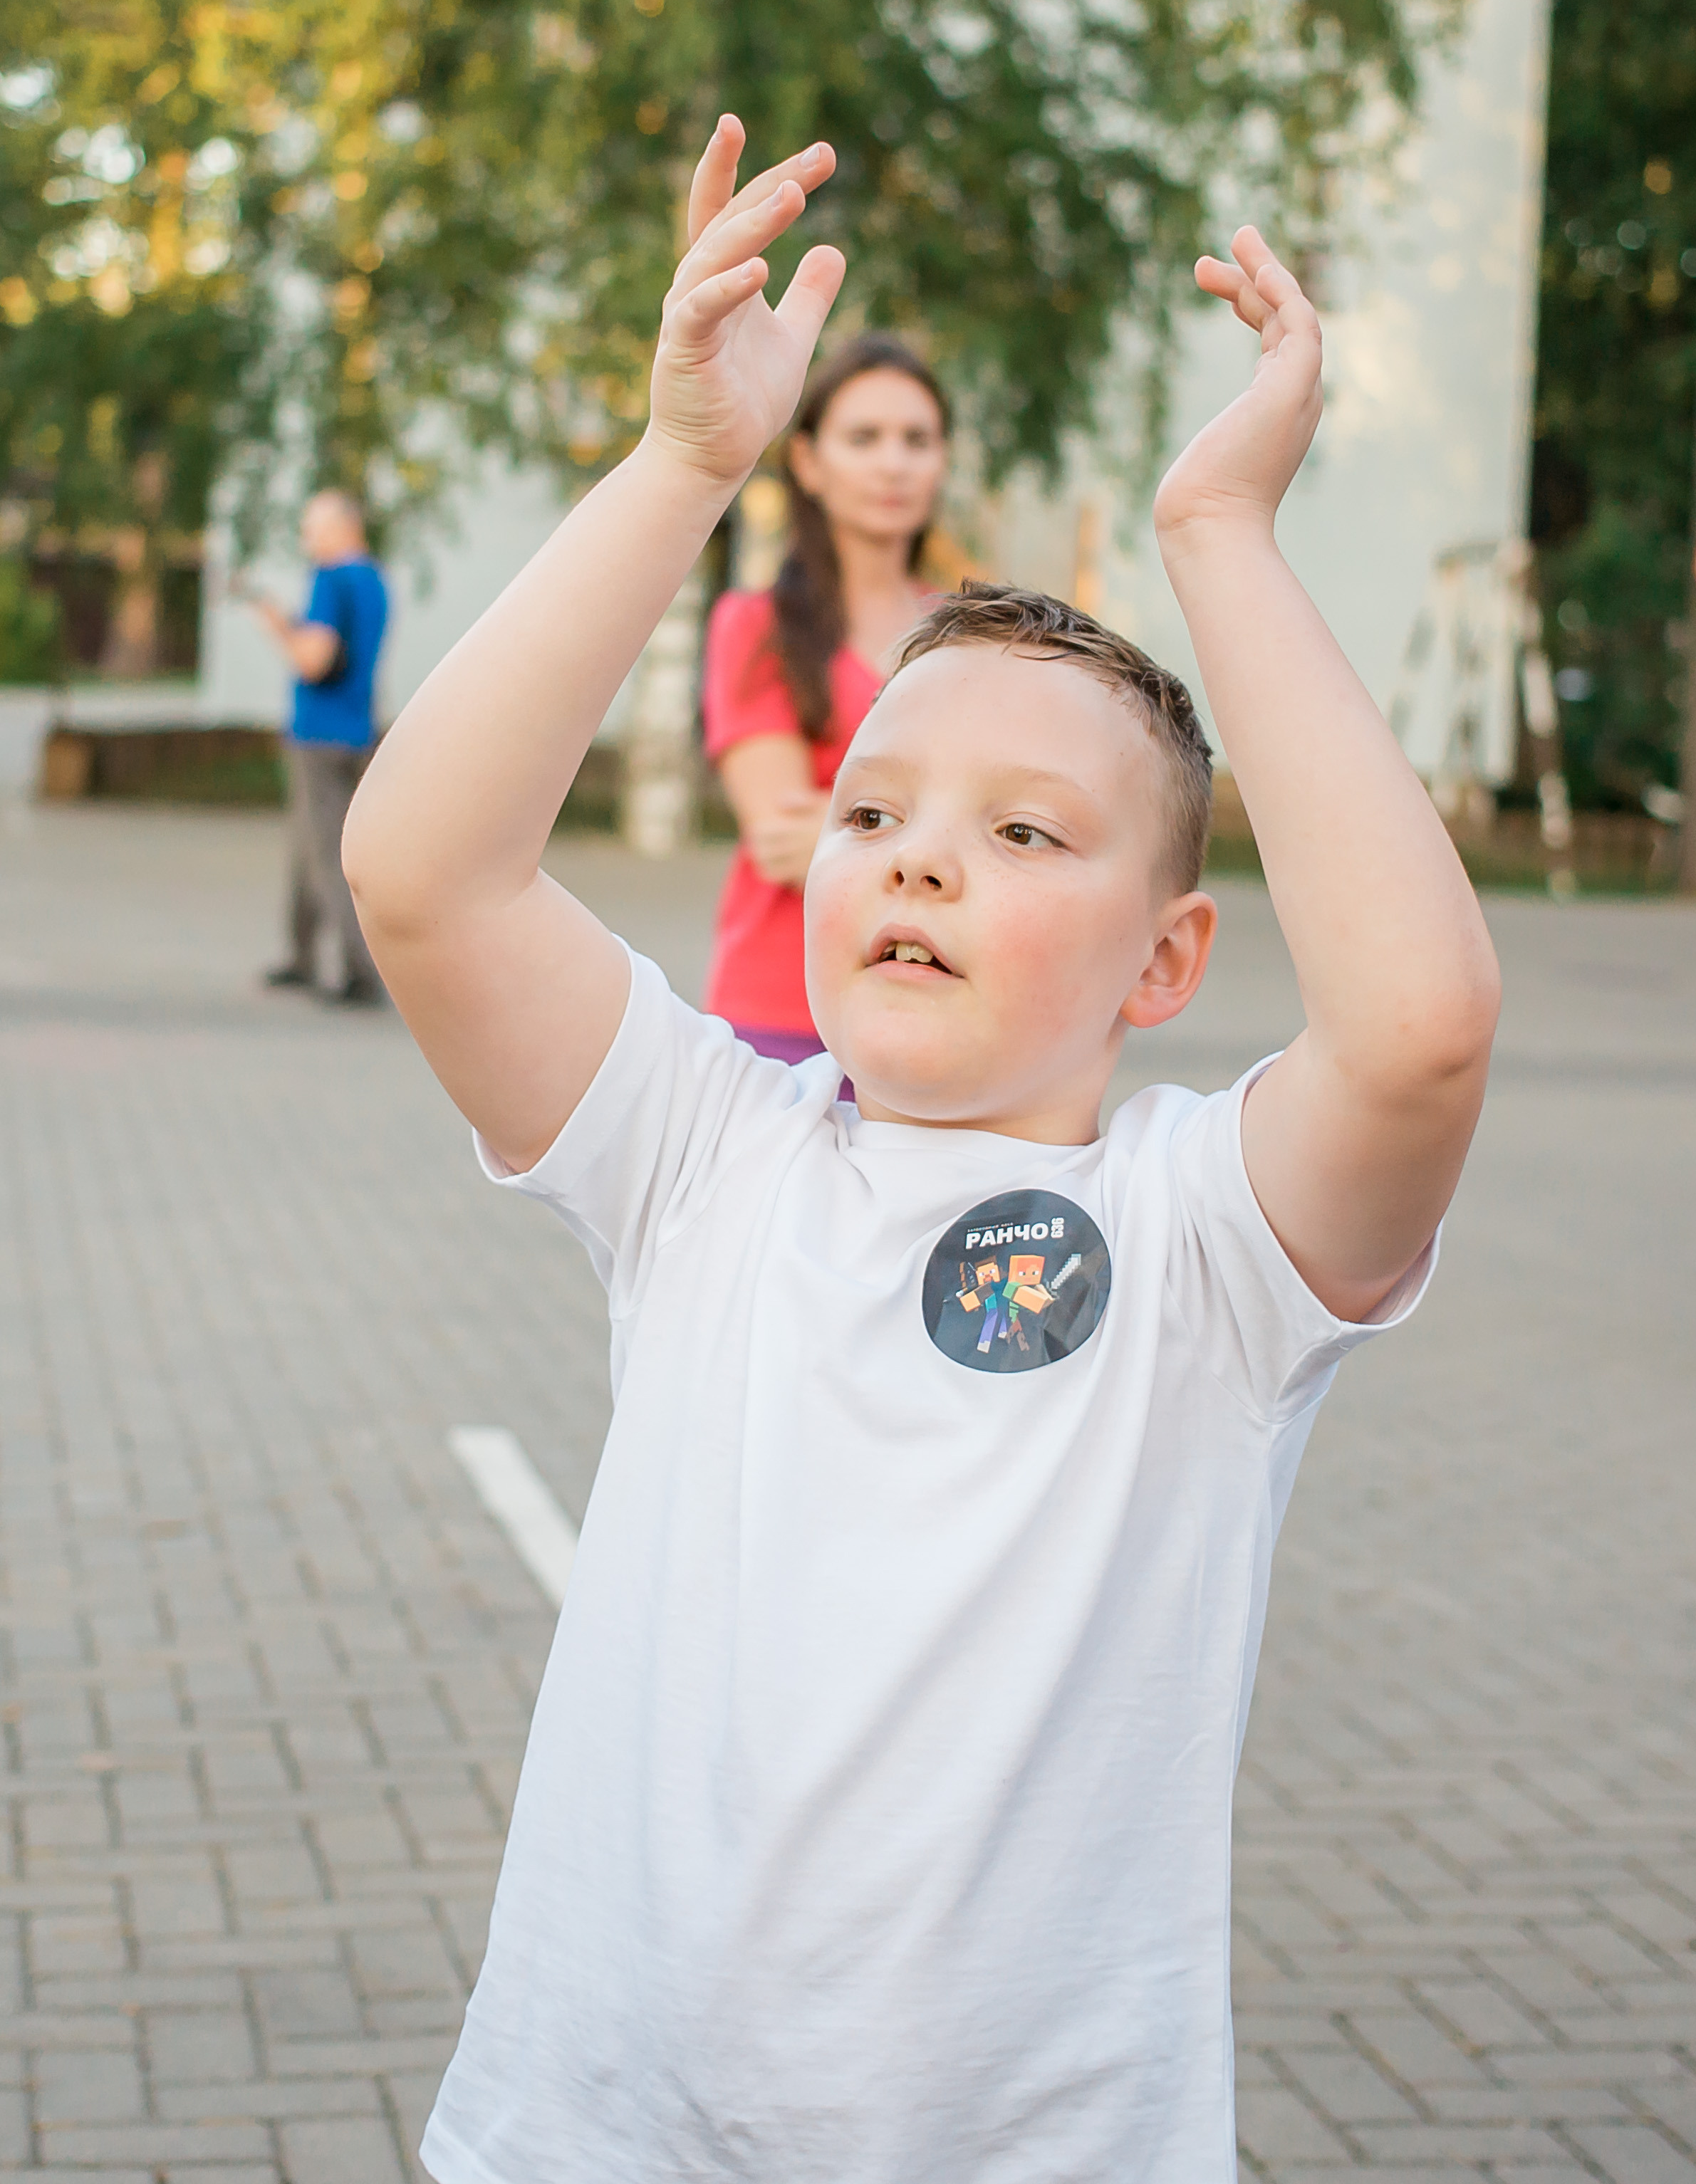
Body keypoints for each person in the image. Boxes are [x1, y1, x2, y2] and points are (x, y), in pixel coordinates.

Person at [340, 116, 1500, 2183]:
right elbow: (425, 871)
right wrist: (684, 465)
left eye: (1023, 832)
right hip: (600, 2134)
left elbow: (1415, 1034)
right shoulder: (710, 1153)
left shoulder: (1202, 1242)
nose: (919, 860)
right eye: (877, 813)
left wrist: (1221, 535)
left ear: (1169, 961)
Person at [704, 334, 948, 1062]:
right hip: (779, 1007)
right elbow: (782, 842)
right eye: (864, 438)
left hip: (929, 1013)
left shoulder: (970, 638)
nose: (893, 462)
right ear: (808, 462)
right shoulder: (755, 626)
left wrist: (849, 826)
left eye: (916, 439)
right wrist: (941, 839)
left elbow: (823, 840)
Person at [252, 487, 390, 1007]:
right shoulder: (375, 580)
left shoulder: (329, 580)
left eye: (313, 527)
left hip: (318, 733)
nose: (308, 538)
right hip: (357, 727)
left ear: (340, 528)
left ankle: (361, 971)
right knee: (305, 847)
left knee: (327, 854)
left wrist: (278, 627)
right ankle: (301, 955)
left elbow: (314, 659)